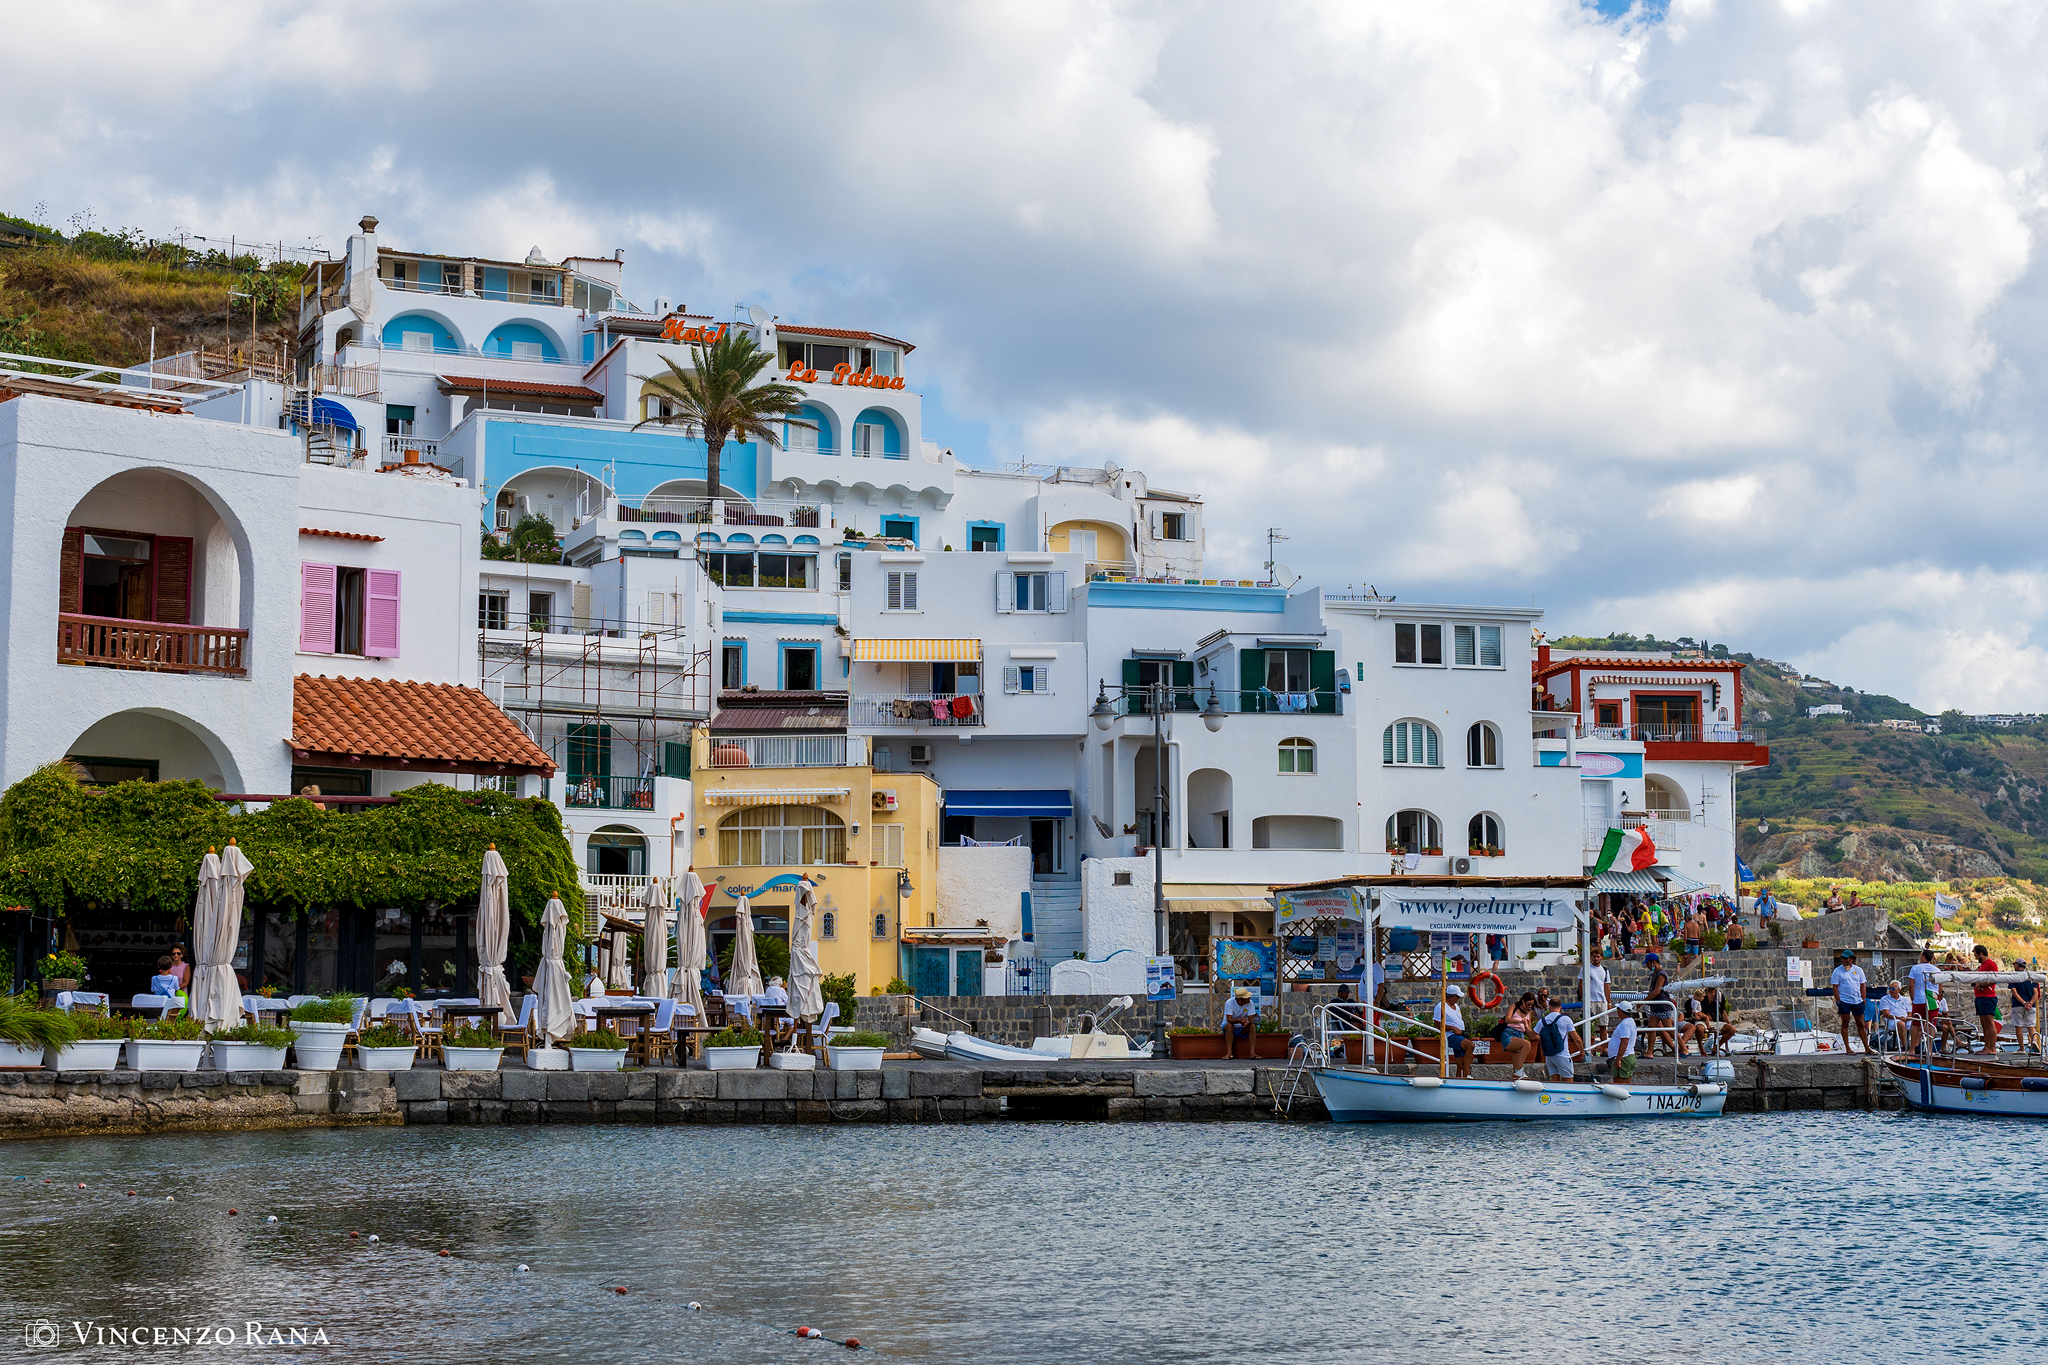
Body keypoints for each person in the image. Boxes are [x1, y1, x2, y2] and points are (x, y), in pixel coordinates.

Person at [1830, 951, 1869, 1053]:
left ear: (1851, 959)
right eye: (1842, 958)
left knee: (1860, 1024)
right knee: (1845, 1023)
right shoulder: (1837, 971)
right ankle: (1847, 1048)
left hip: (1857, 1000)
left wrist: (1863, 999)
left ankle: (1867, 1048)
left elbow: (1862, 986)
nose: (1844, 960)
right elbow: (1835, 987)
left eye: (1846, 958)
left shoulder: (1858, 970)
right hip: (1844, 1001)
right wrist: (1838, 1000)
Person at [1433, 985, 1472, 1079]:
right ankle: (1467, 1074)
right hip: (1450, 1035)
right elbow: (1437, 1024)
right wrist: (1451, 1028)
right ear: (1452, 997)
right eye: (1458, 997)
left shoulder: (1456, 1006)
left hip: (1459, 1034)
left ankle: (1459, 1077)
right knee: (1470, 1046)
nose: (1459, 999)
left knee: (1461, 1060)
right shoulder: (1441, 1007)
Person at [1537, 998, 1579, 1081]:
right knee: (1569, 1084)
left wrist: (1526, 1026)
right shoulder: (1565, 1019)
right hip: (1563, 1055)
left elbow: (1532, 1034)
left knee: (1555, 1083)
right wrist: (1582, 1050)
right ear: (1560, 1007)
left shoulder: (1543, 1021)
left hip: (1549, 1056)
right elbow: (1577, 1038)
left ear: (1550, 1007)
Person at [1971, 944, 2002, 1052]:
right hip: (1980, 996)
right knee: (1984, 1024)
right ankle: (1987, 1046)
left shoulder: (1991, 964)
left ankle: (1992, 1048)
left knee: (1989, 1022)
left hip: (1988, 996)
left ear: (1981, 954)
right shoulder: (1982, 966)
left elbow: (1994, 979)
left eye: (1976, 956)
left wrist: (1981, 985)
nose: (1976, 958)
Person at [1503, 990, 1537, 1075]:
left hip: (1520, 1036)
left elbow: (1529, 1031)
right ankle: (1519, 1070)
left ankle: (1516, 1073)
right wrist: (1519, 1021)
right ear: (1523, 1001)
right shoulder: (1514, 1006)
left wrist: (1541, 1038)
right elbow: (1507, 1019)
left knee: (1516, 1066)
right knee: (1526, 1045)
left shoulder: (1529, 1012)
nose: (1530, 1006)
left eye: (1532, 1005)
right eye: (1528, 1004)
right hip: (1509, 1034)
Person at [1603, 1001, 1639, 1081]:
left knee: (1619, 1085)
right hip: (1629, 1055)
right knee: (1627, 1084)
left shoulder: (1624, 1024)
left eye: (1618, 1009)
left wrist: (1618, 1059)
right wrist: (1603, 1046)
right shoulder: (1631, 1021)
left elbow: (1624, 1042)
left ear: (1621, 1011)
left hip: (1623, 1058)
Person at [1877, 980, 1917, 1051]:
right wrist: (1900, 1018)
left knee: (1919, 1024)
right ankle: (1905, 1047)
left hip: (1905, 1019)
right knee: (1901, 1024)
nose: (1890, 990)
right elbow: (1886, 1014)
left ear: (1899, 990)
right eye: (1889, 988)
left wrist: (1909, 1017)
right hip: (1892, 1020)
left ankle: (1915, 1046)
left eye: (1893, 989)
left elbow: (1910, 1012)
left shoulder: (1904, 999)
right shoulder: (1885, 999)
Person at [1223, 986, 1260, 1056]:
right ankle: (1229, 1053)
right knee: (1229, 1026)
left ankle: (1252, 1053)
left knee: (1252, 1026)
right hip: (1230, 1025)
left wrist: (1246, 1022)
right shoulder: (1229, 1003)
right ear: (1240, 1000)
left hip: (1243, 1026)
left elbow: (1251, 1020)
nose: (1249, 998)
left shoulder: (1250, 1003)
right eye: (1247, 998)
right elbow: (1229, 1019)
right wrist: (1239, 1021)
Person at [2010, 972, 2041, 1054]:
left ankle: (2021, 1048)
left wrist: (2024, 1003)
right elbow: (2036, 992)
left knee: (2018, 1026)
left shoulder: (2014, 977)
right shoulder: (2032, 977)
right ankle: (2034, 1041)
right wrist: (2030, 1003)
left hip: (2017, 1005)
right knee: (2031, 1026)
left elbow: (2014, 992)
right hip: (2031, 1006)